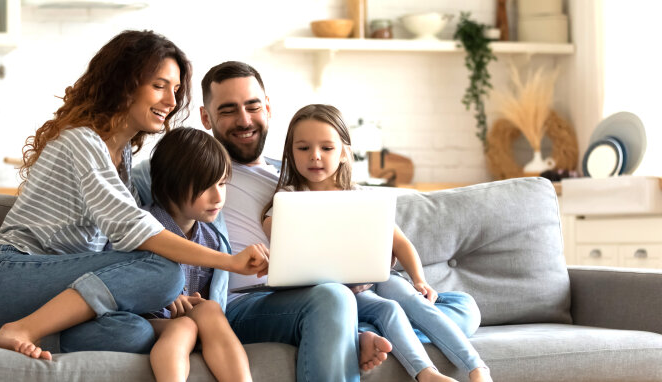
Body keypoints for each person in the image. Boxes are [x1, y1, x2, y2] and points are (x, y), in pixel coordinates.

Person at [0, 30, 269, 361]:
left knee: (136, 332)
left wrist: (156, 294)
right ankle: (18, 331)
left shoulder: (123, 157)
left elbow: (122, 250)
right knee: (167, 272)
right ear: (125, 84)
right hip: (7, 282)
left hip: (52, 296)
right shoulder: (83, 141)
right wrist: (231, 262)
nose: (171, 100)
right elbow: (137, 232)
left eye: (175, 89)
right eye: (160, 85)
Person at [133, 62, 393, 381]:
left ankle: (359, 335)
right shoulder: (193, 170)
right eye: (228, 110)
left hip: (306, 293)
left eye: (252, 106)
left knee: (428, 303)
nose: (244, 120)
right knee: (333, 297)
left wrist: (361, 266)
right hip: (242, 303)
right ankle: (355, 334)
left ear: (267, 107)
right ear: (206, 117)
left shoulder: (298, 175)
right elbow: (132, 227)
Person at [260, 103, 492, 382]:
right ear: (291, 152)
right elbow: (282, 241)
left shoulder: (359, 196)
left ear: (345, 153)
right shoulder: (288, 200)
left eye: (327, 148)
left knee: (415, 300)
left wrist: (420, 280)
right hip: (338, 293)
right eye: (303, 148)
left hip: (375, 278)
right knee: (390, 308)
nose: (315, 156)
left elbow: (401, 243)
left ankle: (477, 368)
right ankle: (425, 372)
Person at [142, 127, 251, 382]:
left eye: (222, 183)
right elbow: (117, 280)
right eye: (205, 187)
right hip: (143, 319)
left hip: (188, 320)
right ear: (171, 185)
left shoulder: (211, 239)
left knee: (210, 310)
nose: (218, 197)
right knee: (184, 327)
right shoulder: (142, 225)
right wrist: (162, 294)